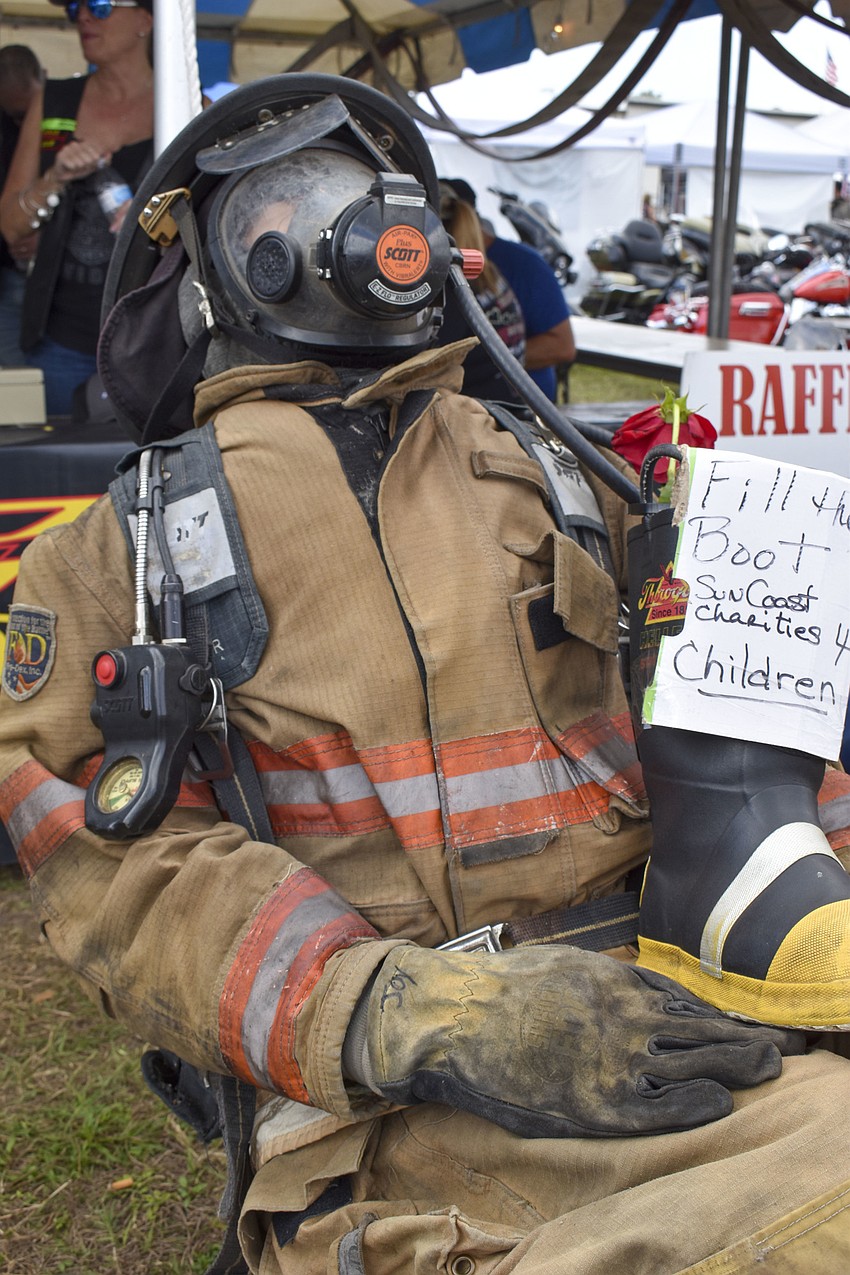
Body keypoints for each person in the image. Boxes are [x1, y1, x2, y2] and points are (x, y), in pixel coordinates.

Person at [2, 75, 850, 1275]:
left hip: (687, 1021)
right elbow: (121, 874)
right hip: (397, 1109)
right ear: (212, 267)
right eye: (283, 200)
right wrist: (414, 1016)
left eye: (367, 188)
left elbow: (752, 761)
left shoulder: (573, 478)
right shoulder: (118, 559)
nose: (351, 223)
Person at [0, 0, 154, 417]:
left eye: (101, 6)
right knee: (60, 471)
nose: (83, 16)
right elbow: (11, 227)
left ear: (146, 19)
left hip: (153, 345)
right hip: (60, 341)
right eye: (75, 7)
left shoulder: (185, 108)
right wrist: (55, 179)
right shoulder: (54, 101)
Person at [442, 177, 576, 402]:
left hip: (511, 411)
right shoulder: (486, 269)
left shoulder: (521, 264)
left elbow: (562, 346)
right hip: (503, 404)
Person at [435, 180, 526, 402]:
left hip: (478, 410)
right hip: (508, 398)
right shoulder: (487, 270)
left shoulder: (450, 284)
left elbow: (433, 363)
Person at [0, 45, 42, 367]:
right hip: (9, 269)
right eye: (13, 116)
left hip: (58, 277)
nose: (21, 124)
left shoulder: (66, 114)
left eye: (26, 113)